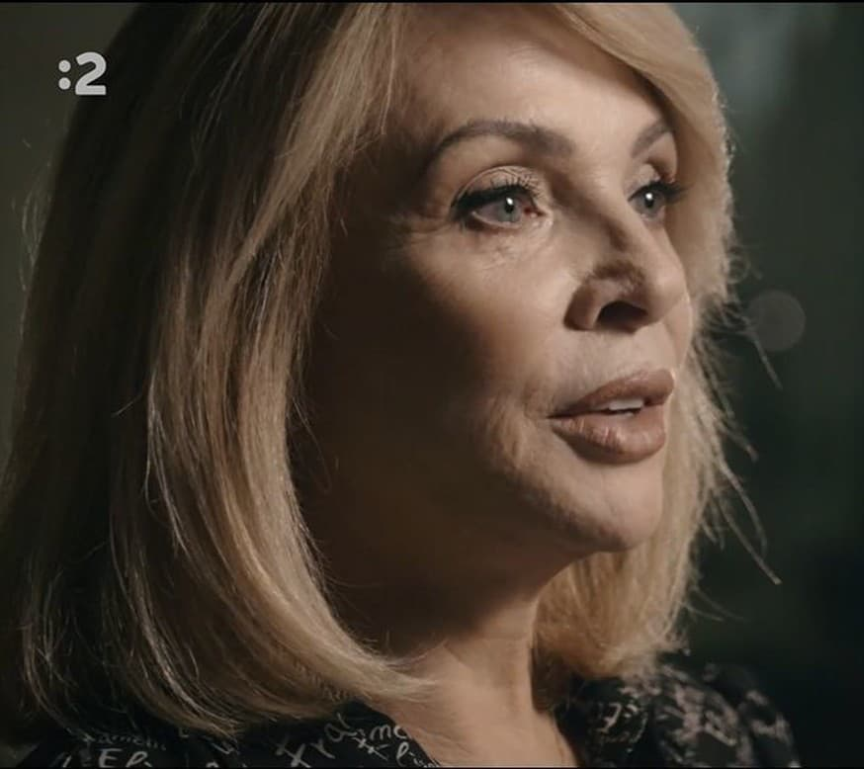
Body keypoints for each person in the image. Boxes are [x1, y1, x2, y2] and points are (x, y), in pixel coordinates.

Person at [0, 3, 800, 766]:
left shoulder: (718, 738)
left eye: (650, 191)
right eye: (504, 201)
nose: (656, 279)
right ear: (244, 322)